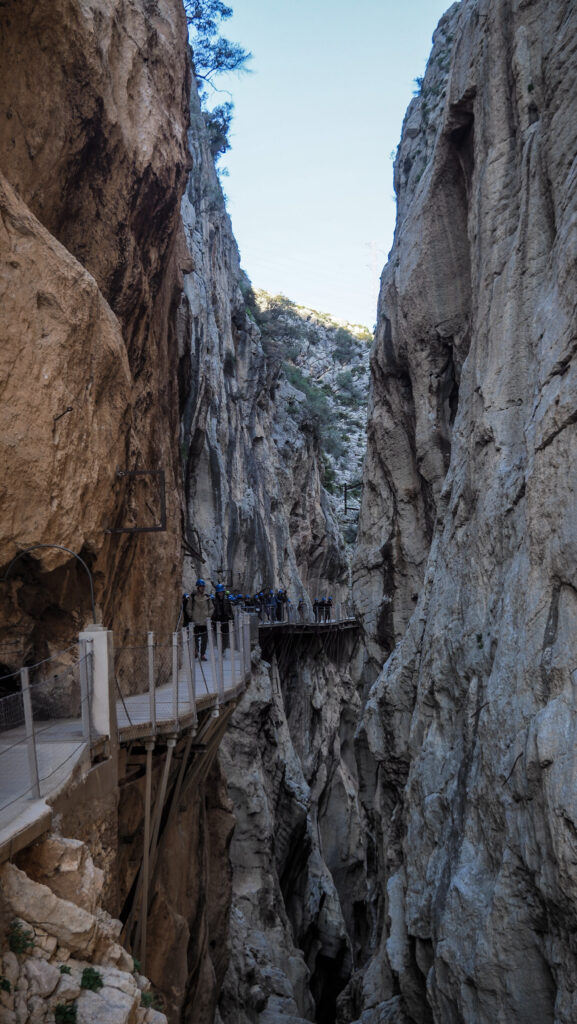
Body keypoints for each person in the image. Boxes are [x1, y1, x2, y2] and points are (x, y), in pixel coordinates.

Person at [186, 579, 212, 660]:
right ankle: (196, 651)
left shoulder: (207, 597)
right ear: (197, 587)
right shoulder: (193, 597)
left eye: (203, 587)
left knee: (204, 639)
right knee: (195, 638)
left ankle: (203, 654)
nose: (202, 588)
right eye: (201, 587)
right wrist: (191, 615)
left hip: (204, 621)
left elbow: (211, 608)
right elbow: (188, 608)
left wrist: (208, 615)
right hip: (196, 621)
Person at [212, 583, 234, 651]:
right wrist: (212, 620)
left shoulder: (227, 600)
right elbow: (212, 611)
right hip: (217, 620)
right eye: (219, 592)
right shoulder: (214, 601)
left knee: (225, 637)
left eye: (221, 592)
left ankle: (223, 649)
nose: (220, 593)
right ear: (217, 593)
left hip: (225, 620)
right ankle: (220, 649)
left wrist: (232, 619)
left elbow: (230, 610)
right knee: (218, 636)